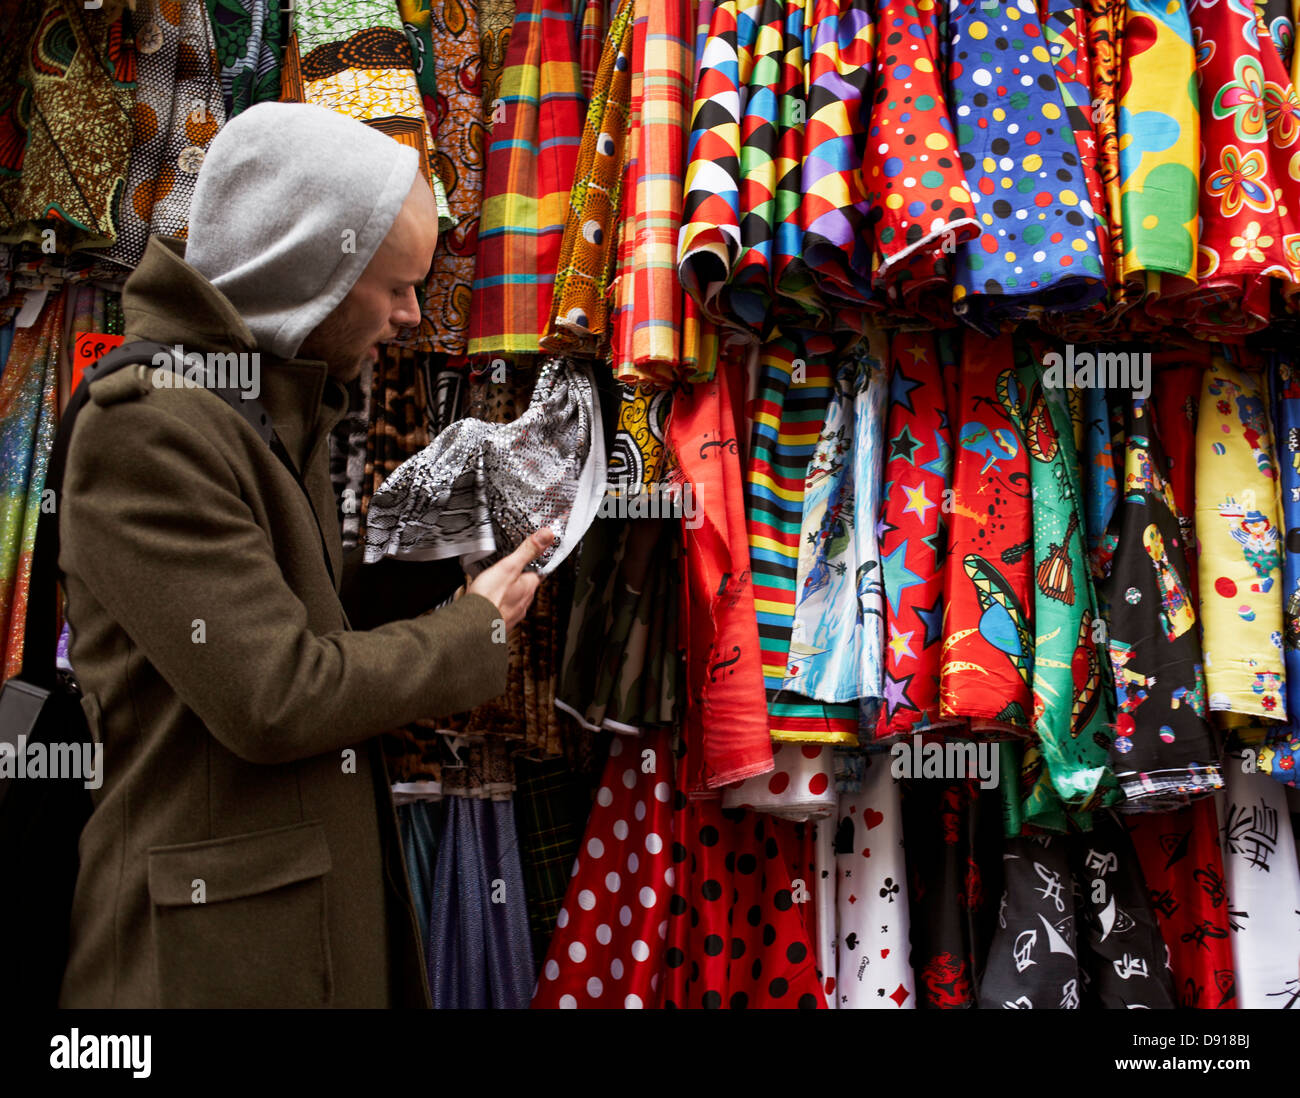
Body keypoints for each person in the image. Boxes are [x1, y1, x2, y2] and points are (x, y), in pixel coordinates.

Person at [56, 102, 548, 1007]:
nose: (410, 316)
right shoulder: (152, 428)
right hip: (208, 966)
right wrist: (468, 633)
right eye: (394, 285)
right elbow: (273, 697)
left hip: (276, 936)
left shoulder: (260, 406)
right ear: (309, 271)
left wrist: (436, 550)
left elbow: (289, 619)